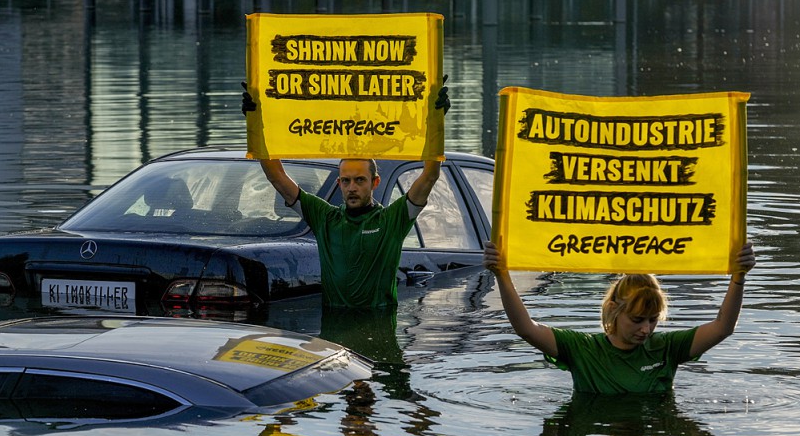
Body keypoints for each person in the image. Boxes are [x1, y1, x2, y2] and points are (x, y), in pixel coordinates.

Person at [243, 79, 450, 308]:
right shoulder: (325, 218)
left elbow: (430, 175)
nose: (352, 187)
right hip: (333, 336)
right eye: (346, 181)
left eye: (360, 180)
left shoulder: (392, 220)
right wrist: (256, 121)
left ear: (375, 182)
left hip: (379, 336)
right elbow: (276, 175)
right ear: (340, 183)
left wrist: (435, 120)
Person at [483, 240, 756, 394]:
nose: (647, 329)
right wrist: (502, 275)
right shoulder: (582, 349)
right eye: (637, 320)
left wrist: (738, 277)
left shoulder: (668, 348)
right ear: (614, 309)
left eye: (653, 319)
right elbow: (526, 329)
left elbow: (722, 328)